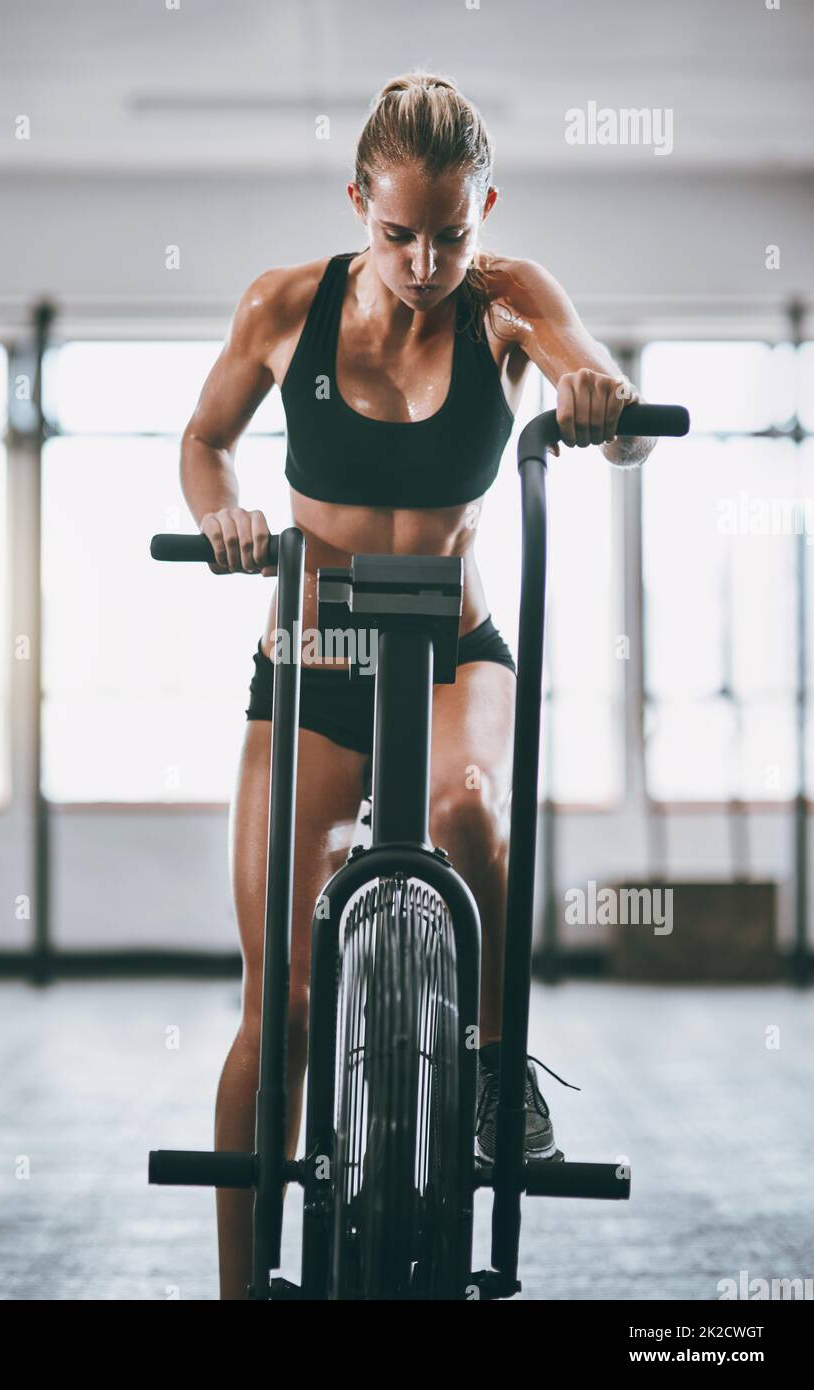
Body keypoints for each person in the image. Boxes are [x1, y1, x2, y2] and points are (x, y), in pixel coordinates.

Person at [178, 70, 656, 1299]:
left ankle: (496, 1077)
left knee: (463, 809)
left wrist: (595, 399)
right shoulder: (283, 307)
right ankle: (239, 1292)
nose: (427, 258)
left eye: (452, 232)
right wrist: (222, 513)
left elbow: (618, 403)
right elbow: (204, 439)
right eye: (399, 232)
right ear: (357, 203)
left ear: (481, 209)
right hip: (311, 663)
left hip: (450, 649)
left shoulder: (507, 301)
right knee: (276, 999)